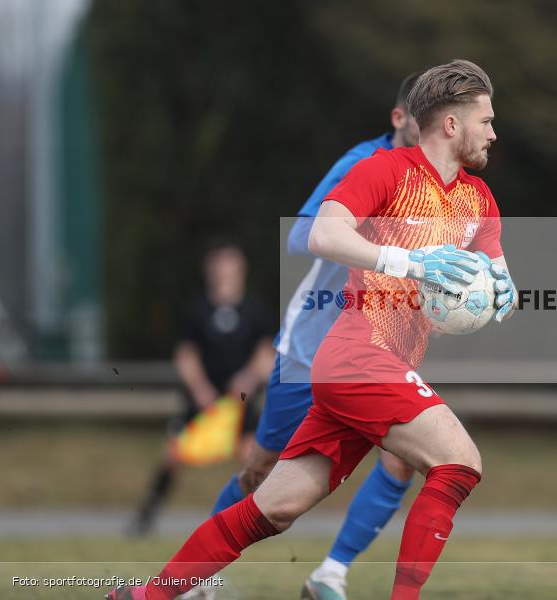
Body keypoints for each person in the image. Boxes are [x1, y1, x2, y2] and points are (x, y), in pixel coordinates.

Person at [106, 58, 516, 600]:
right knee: (459, 464)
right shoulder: (383, 169)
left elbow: (494, 270)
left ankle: (144, 597)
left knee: (273, 508)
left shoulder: (480, 200)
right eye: (485, 120)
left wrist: (505, 293)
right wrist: (410, 264)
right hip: (356, 355)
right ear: (450, 124)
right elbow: (321, 234)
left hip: (379, 365)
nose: (493, 131)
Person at [204, 72, 422, 600]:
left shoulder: (438, 185)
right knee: (262, 473)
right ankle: (195, 580)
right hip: (310, 349)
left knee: (404, 458)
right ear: (399, 119)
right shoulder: (361, 166)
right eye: (429, 117)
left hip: (376, 349)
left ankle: (330, 575)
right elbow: (305, 236)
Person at [128, 243, 276, 537]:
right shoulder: (196, 310)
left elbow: (265, 356)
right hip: (204, 401)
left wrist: (247, 379)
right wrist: (200, 389)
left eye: (231, 267)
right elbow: (186, 356)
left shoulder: (255, 311)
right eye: (220, 266)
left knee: (253, 459)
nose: (225, 273)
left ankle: (255, 522)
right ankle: (147, 514)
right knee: (174, 455)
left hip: (239, 402)